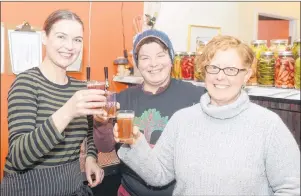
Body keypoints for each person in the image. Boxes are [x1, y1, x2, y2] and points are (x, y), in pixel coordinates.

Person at [115, 35, 301, 195]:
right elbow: (158, 175)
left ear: (246, 75)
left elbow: (292, 188)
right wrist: (136, 142)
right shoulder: (182, 120)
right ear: (204, 72)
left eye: (231, 70)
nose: (220, 76)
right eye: (213, 68)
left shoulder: (268, 126)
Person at [1, 9, 105, 196]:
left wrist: (91, 158)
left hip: (73, 187)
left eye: (77, 40)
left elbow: (90, 132)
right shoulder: (26, 83)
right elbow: (19, 157)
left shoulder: (81, 88)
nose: (70, 46)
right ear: (44, 37)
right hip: (29, 189)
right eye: (61, 37)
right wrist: (68, 111)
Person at [93, 29, 206, 196]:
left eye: (160, 55)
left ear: (171, 58)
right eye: (145, 58)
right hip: (130, 191)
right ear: (137, 64)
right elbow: (105, 147)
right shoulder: (120, 99)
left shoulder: (196, 96)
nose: (154, 63)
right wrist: (101, 123)